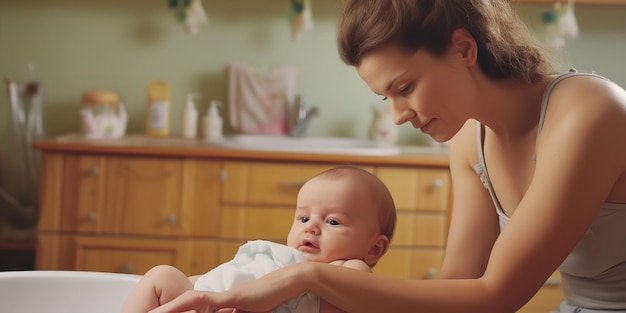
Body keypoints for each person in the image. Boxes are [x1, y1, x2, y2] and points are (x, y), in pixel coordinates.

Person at [148, 1, 626, 312]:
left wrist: (304, 277)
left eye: (405, 88)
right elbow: (457, 287)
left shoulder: (589, 113)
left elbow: (494, 297)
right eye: (386, 98)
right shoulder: (470, 139)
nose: (399, 115)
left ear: (463, 48)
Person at [120, 165, 396, 313]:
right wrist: (196, 285)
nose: (310, 227)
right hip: (208, 301)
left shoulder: (348, 271)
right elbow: (222, 278)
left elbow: (361, 290)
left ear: (374, 248)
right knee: (163, 275)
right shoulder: (278, 257)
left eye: (332, 221)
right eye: (302, 218)